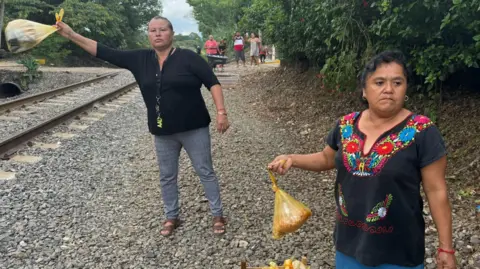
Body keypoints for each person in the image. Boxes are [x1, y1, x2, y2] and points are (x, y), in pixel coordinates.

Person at [268, 51, 456, 269]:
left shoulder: (422, 131)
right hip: (349, 246)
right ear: (364, 90)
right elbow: (326, 158)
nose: (388, 89)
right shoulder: (346, 126)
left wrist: (446, 248)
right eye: (379, 82)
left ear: (405, 89)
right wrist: (292, 159)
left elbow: (436, 191)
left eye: (397, 82)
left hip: (399, 252)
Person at [55, 16, 229, 236]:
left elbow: (212, 83)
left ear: (171, 33)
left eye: (162, 30)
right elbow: (103, 51)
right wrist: (71, 34)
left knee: (205, 171)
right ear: (148, 34)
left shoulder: (189, 58)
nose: (157, 34)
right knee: (167, 175)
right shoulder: (140, 59)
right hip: (163, 132)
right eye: (153, 30)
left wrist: (221, 112)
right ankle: (171, 216)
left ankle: (217, 214)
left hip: (194, 128)